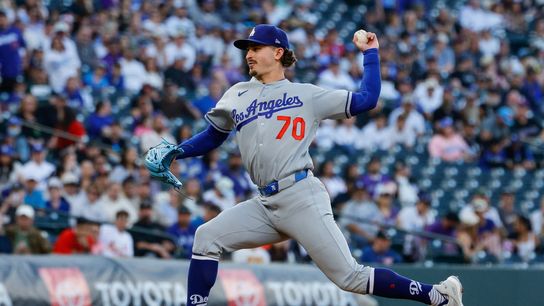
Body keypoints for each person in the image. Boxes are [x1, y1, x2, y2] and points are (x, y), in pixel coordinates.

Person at [153, 25, 463, 306]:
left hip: (301, 196)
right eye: (247, 49)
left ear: (277, 52)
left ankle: (438, 295)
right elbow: (213, 135)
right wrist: (178, 151)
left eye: (256, 48)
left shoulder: (306, 95)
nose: (249, 54)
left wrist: (370, 54)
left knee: (350, 278)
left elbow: (367, 99)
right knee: (206, 238)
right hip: (264, 203)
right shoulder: (237, 93)